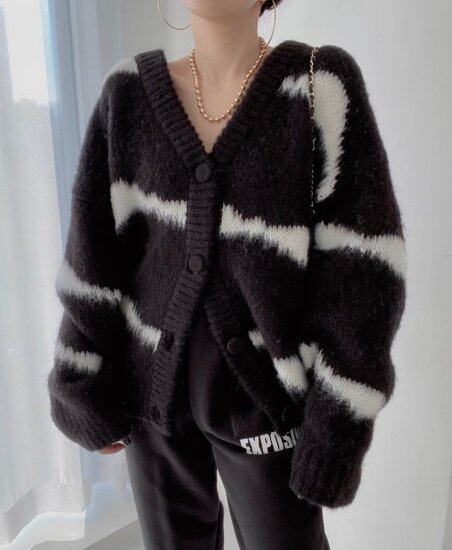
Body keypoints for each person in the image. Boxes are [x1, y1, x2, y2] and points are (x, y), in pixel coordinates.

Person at [47, 1, 407, 548]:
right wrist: (79, 382)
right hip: (151, 404)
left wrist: (336, 429)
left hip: (267, 407)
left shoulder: (318, 89)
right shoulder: (128, 96)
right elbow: (92, 258)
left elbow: (363, 277)